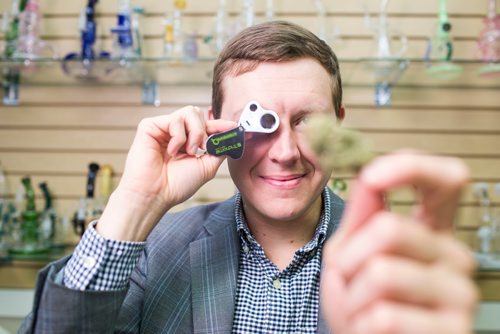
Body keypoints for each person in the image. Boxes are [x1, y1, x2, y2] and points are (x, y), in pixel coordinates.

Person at [20, 21, 477, 333]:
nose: (284, 153)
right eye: (261, 124)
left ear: (338, 123)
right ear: (218, 128)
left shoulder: (394, 258)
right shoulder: (155, 248)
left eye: (306, 121)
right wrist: (134, 204)